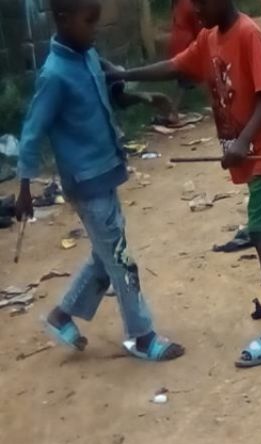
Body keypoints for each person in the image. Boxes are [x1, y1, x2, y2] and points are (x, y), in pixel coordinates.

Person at [112, 0, 261, 368]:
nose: (195, 10)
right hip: (255, 148)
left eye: (201, 2)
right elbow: (175, 66)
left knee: (260, 227)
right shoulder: (209, 38)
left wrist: (242, 142)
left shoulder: (248, 33)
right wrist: (125, 73)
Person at [15, 0, 185, 361]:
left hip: (105, 172)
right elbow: (31, 133)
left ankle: (62, 316)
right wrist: (25, 185)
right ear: (61, 19)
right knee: (120, 259)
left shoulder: (88, 56)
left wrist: (143, 96)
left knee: (106, 254)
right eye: (88, 22)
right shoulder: (54, 75)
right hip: (85, 181)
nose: (95, 30)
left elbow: (112, 94)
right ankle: (142, 336)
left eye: (97, 21)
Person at [167, 0, 202, 125]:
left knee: (183, 78)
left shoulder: (179, 3)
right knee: (185, 80)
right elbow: (197, 26)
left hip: (176, 40)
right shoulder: (190, 4)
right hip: (186, 42)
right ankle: (172, 111)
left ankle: (172, 109)